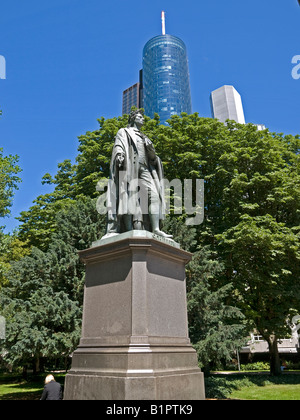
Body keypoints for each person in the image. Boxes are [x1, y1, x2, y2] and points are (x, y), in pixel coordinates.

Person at [103, 109, 172, 239]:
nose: (143, 119)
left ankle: (156, 229)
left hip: (146, 169)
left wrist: (151, 150)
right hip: (130, 167)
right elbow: (119, 145)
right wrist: (119, 155)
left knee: (154, 196)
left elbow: (152, 158)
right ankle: (128, 230)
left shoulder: (145, 137)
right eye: (140, 117)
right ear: (133, 118)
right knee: (128, 198)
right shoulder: (124, 132)